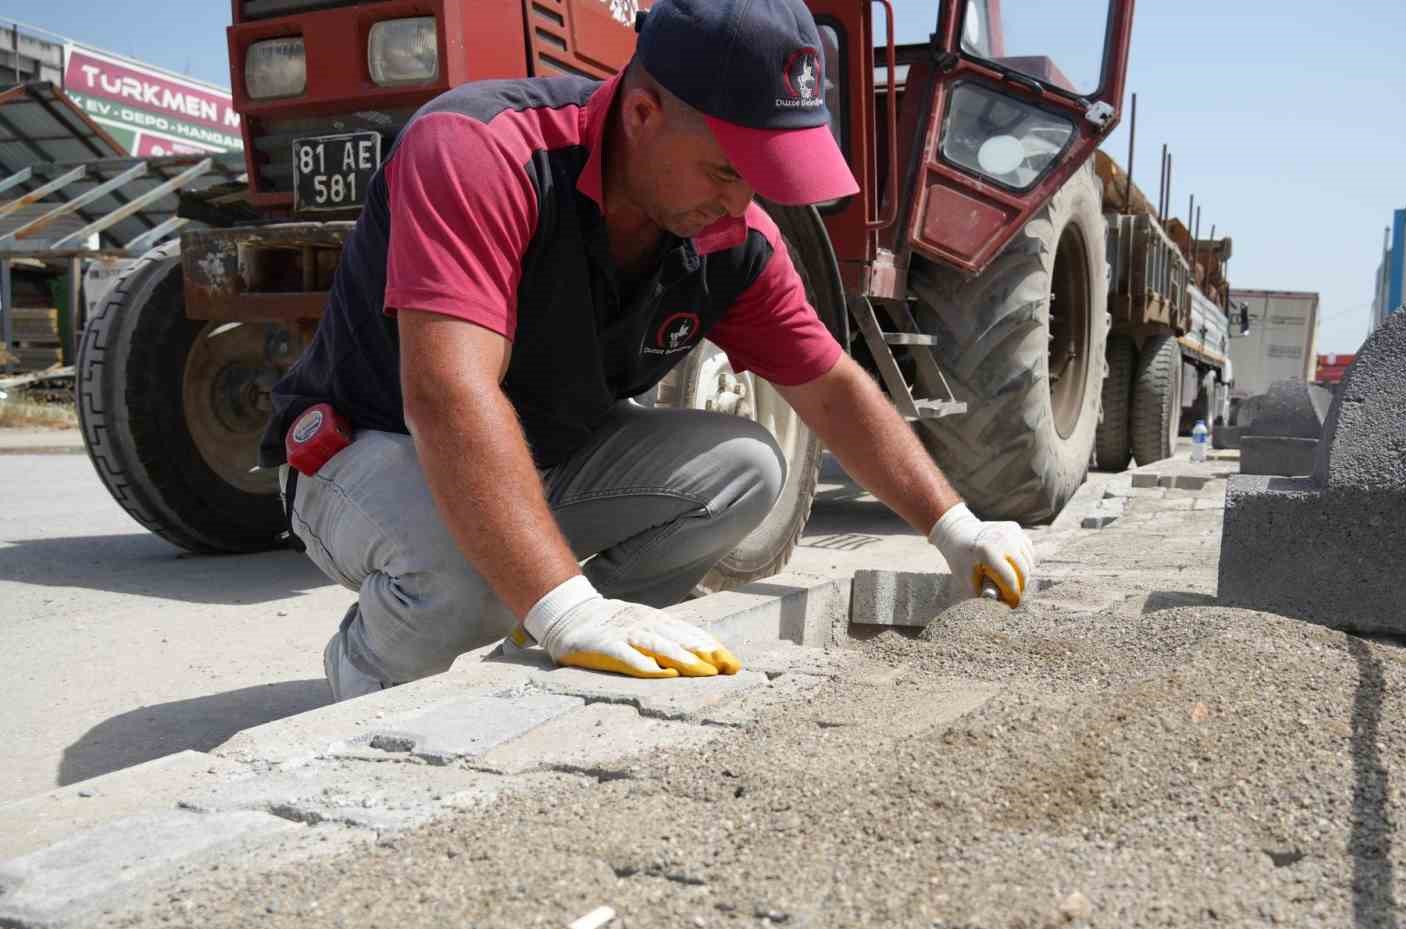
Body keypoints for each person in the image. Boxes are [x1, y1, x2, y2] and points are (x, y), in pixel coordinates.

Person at [259, 0, 1036, 701]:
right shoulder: (484, 153)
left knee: (746, 468)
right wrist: (566, 604)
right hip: (368, 447)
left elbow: (829, 385)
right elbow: (446, 398)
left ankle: (554, 644)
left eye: (762, 178)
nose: (742, 200)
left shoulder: (732, 237)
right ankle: (367, 671)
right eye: (729, 168)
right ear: (640, 112)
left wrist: (955, 526)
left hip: (537, 453)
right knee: (466, 577)